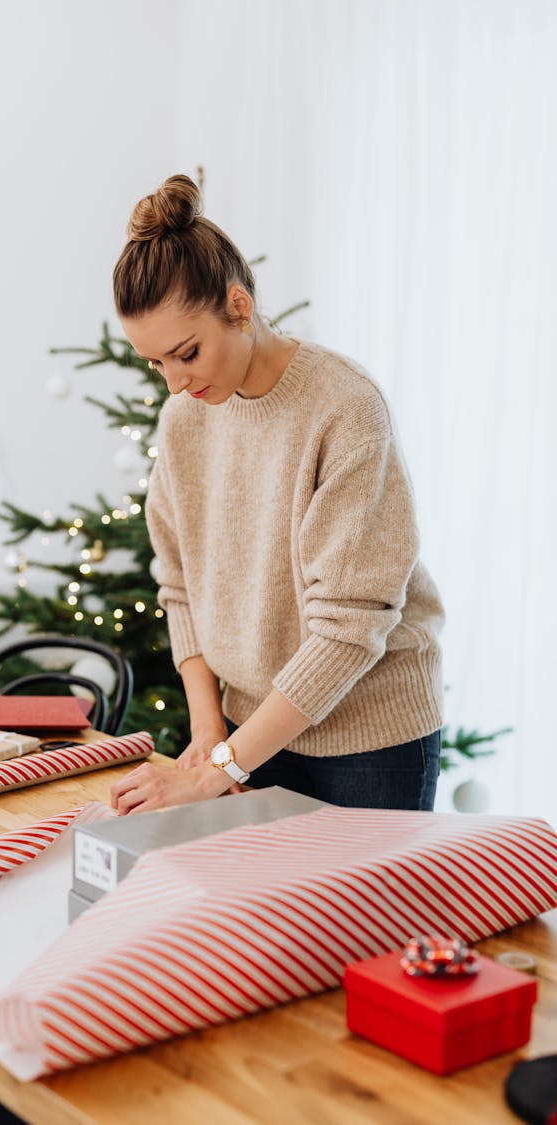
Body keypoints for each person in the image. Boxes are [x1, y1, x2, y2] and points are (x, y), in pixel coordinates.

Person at [110, 174, 444, 817]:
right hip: (247, 731)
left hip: (370, 744)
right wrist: (211, 734)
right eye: (157, 364)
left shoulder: (345, 408)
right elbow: (178, 583)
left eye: (187, 353)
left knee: (363, 922)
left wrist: (221, 768)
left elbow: (349, 629)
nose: (175, 384)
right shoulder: (184, 421)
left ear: (239, 305)